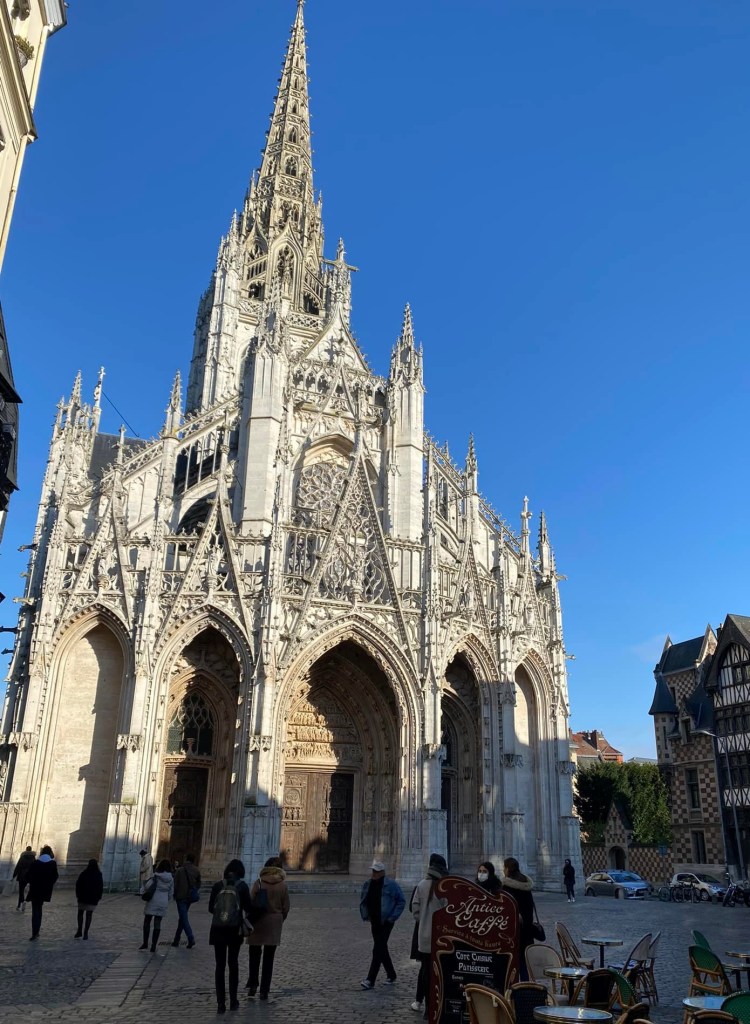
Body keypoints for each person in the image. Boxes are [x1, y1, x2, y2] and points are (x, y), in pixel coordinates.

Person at [209, 858, 252, 1014]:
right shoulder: (242, 887)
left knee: (219, 966)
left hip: (218, 929)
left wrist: (223, 914)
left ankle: (220, 1003)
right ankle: (233, 1000)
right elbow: (249, 908)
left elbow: (211, 908)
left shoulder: (217, 885)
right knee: (233, 963)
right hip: (234, 929)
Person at [245, 856, 290, 1001]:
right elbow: (286, 907)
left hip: (257, 921)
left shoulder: (259, 883)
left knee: (254, 954)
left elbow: (250, 901)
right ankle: (264, 990)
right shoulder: (283, 885)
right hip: (274, 923)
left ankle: (253, 984)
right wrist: (279, 918)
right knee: (269, 958)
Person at [359, 858, 405, 990]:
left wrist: (392, 917)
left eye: (377, 871)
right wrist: (365, 914)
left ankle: (370, 980)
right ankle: (391, 974)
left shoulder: (391, 885)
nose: (374, 873)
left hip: (386, 922)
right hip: (374, 921)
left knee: (377, 949)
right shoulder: (368, 884)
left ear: (382, 873)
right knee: (382, 948)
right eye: (373, 871)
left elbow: (401, 901)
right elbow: (364, 900)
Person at [411, 854, 448, 1015]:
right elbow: (448, 911)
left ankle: (426, 1006)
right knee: (438, 972)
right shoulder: (444, 887)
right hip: (440, 936)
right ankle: (435, 1005)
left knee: (426, 971)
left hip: (424, 936)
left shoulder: (421, 885)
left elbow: (415, 909)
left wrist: (423, 921)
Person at [499, 857, 534, 979]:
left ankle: (511, 986)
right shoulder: (526, 885)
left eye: (504, 867)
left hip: (512, 932)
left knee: (510, 962)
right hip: (526, 931)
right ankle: (525, 985)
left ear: (507, 869)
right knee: (523, 963)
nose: (503, 870)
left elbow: (504, 909)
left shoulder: (507, 887)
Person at [140, 858, 173, 953]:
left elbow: (147, 886)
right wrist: (165, 899)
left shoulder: (156, 876)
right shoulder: (171, 879)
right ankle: (154, 945)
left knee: (147, 921)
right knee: (157, 923)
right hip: (163, 902)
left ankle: (145, 943)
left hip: (153, 900)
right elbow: (171, 893)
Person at [26, 845, 59, 940]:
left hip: (34, 889)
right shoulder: (52, 863)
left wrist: (32, 882)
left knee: (35, 910)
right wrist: (49, 884)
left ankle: (34, 932)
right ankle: (37, 931)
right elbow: (55, 876)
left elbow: (28, 875)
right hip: (44, 890)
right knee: (39, 909)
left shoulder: (35, 862)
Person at [172, 853, 201, 948]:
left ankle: (190, 937)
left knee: (183, 918)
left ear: (186, 859)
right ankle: (176, 939)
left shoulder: (180, 870)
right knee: (182, 917)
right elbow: (198, 884)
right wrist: (194, 891)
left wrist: (175, 894)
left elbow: (175, 883)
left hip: (180, 897)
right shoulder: (196, 870)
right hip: (190, 897)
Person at [74, 859, 104, 939]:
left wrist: (78, 895)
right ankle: (86, 933)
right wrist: (98, 897)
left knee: (80, 913)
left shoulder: (84, 873)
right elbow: (100, 887)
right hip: (92, 898)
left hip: (82, 897)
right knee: (89, 915)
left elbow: (78, 885)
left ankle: (79, 930)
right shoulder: (98, 874)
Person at [12, 845, 35, 911]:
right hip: (30, 876)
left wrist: (14, 875)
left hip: (22, 875)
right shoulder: (33, 858)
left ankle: (20, 904)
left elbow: (18, 866)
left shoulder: (23, 857)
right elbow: (35, 867)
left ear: (26, 849)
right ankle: (23, 902)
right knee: (31, 890)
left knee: (21, 891)